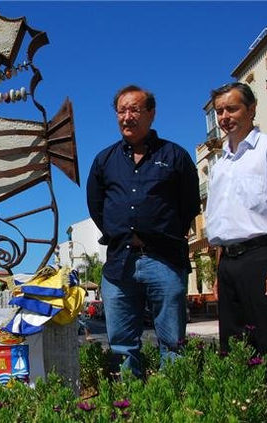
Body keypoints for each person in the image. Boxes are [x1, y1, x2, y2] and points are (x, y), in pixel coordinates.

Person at [87, 85, 200, 378]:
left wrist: (163, 231)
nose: (127, 117)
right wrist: (119, 231)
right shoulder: (104, 160)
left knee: (173, 343)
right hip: (119, 264)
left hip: (165, 260)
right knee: (122, 344)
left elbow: (189, 204)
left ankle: (175, 402)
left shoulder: (175, 156)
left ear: (151, 113)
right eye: (121, 110)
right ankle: (131, 404)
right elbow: (97, 205)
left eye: (134, 109)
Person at [206, 82, 267, 393]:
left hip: (262, 258)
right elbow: (225, 224)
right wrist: (220, 274)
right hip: (229, 263)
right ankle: (247, 404)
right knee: (235, 345)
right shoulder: (220, 164)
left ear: (251, 110)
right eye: (220, 111)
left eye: (231, 108)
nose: (224, 117)